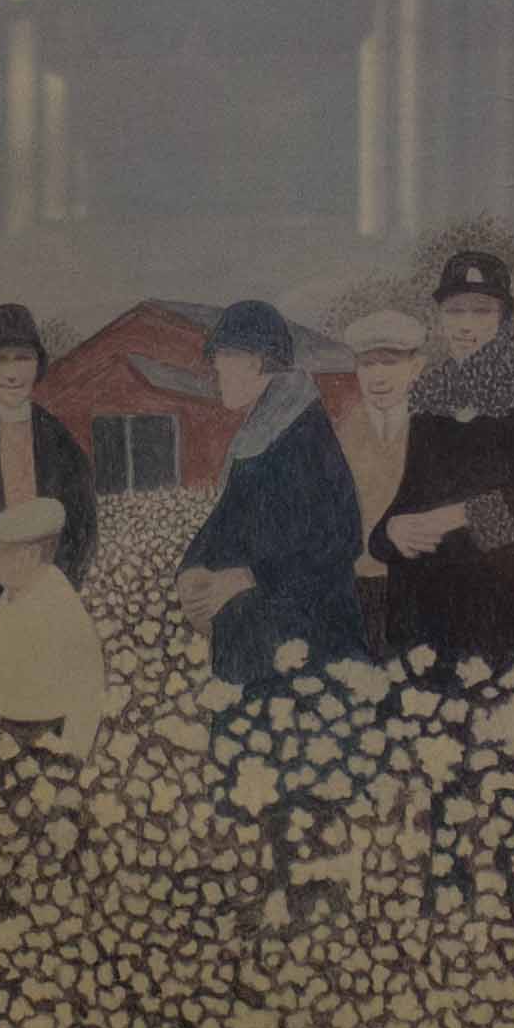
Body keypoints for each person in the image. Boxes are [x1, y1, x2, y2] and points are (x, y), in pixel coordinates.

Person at [372, 247, 514, 909]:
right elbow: (407, 497)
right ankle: (447, 878)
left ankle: (513, 872)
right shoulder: (426, 400)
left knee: (513, 745)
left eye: (480, 311)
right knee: (443, 750)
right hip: (435, 605)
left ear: (504, 317)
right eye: (455, 310)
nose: (466, 323)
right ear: (440, 316)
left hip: (502, 596)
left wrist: (462, 518)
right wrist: (392, 533)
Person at [172, 299, 370, 914]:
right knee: (272, 783)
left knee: (305, 778)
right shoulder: (261, 433)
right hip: (263, 648)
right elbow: (226, 526)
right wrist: (192, 572)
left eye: (224, 362)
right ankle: (286, 892)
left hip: (304, 646)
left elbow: (335, 543)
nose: (217, 375)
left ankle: (318, 899)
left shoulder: (304, 435)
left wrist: (245, 577)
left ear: (257, 363)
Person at [0, 302, 98, 636]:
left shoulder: (62, 445)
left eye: (23, 358)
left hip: (55, 610)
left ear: (38, 365)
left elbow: (82, 533)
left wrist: (54, 597)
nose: (11, 374)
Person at [0, 492, 107, 776]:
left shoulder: (63, 608)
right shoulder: (7, 601)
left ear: (31, 556)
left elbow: (88, 689)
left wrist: (71, 760)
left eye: (3, 557)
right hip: (1, 746)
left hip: (50, 750)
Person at [329, 308, 426, 657]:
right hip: (355, 589)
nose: (378, 377)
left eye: (390, 363)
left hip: (422, 588)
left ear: (415, 368)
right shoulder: (338, 434)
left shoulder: (437, 432)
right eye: (369, 365)